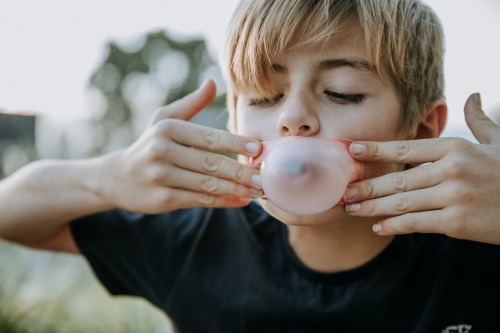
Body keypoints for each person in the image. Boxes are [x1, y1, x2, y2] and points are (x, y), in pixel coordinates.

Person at [1, 0, 499, 331]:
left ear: (421, 129)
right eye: (264, 94)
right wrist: (109, 177)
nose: (293, 119)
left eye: (341, 92)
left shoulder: (480, 238)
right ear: (235, 119)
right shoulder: (199, 239)